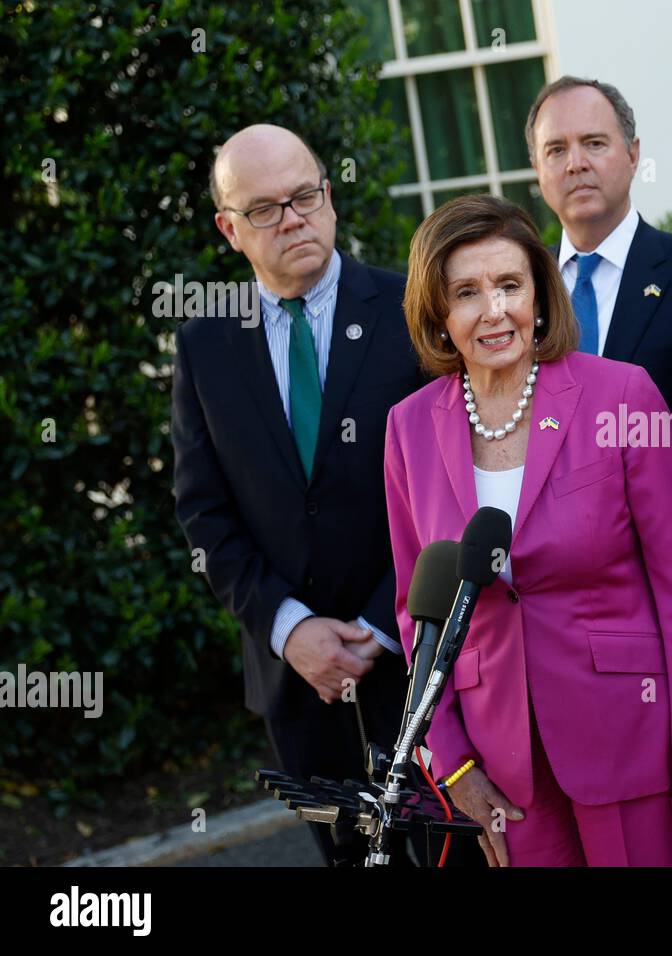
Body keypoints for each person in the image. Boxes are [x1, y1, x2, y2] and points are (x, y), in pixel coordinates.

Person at [384, 194, 672, 867]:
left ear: (540, 294)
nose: (494, 310)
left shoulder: (624, 395)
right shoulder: (407, 429)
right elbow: (416, 616)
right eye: (466, 292)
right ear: (437, 314)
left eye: (510, 285)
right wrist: (452, 765)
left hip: (629, 739)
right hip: (500, 760)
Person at [171, 125, 425, 865]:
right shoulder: (204, 344)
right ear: (229, 229)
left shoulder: (410, 310)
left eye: (305, 196)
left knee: (450, 855)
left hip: (416, 657)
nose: (293, 219)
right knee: (348, 857)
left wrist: (379, 625)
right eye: (264, 209)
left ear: (330, 198)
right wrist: (290, 629)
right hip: (295, 681)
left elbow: (449, 489)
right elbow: (203, 512)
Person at [527, 76, 672, 416]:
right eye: (556, 150)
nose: (576, 163)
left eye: (594, 143)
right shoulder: (523, 285)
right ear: (537, 169)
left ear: (633, 155)